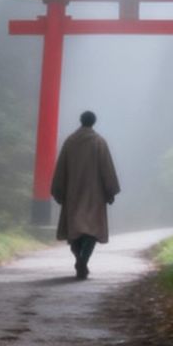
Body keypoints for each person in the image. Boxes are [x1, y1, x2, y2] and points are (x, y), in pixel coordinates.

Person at [50, 110, 120, 279]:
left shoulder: (70, 141)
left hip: (73, 193)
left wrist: (59, 190)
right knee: (91, 230)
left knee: (74, 229)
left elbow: (61, 168)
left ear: (81, 121)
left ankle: (79, 259)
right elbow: (107, 169)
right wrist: (110, 191)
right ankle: (83, 260)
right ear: (93, 122)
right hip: (94, 195)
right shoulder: (99, 142)